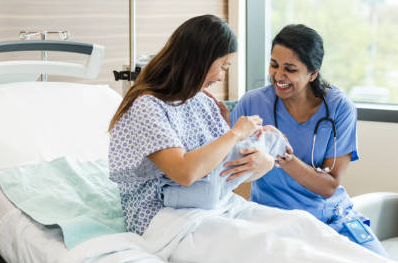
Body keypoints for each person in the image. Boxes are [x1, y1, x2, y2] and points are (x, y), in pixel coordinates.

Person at [108, 14, 276, 235]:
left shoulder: (204, 102)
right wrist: (234, 133)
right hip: (164, 217)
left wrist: (264, 164)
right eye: (223, 67)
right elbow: (184, 173)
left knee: (297, 226)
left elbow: (224, 174)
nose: (221, 78)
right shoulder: (147, 106)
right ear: (200, 60)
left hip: (213, 207)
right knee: (266, 247)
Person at [230, 24, 387, 256]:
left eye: (290, 69)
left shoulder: (339, 108)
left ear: (313, 73)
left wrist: (281, 154)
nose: (278, 76)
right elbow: (227, 164)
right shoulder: (252, 103)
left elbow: (328, 186)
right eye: (274, 65)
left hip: (329, 218)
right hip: (272, 220)